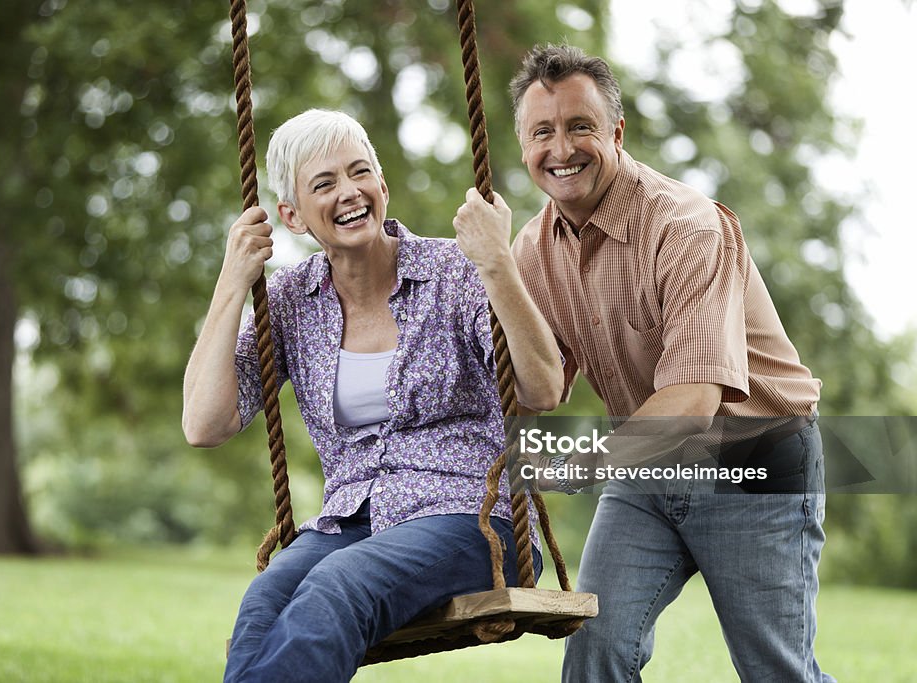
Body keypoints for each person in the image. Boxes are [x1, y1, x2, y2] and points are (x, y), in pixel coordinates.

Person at [477, 44, 832, 681]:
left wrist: (576, 460)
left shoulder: (687, 226)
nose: (561, 149)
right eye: (542, 132)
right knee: (595, 652)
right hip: (645, 466)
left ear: (615, 131)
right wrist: (497, 268)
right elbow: (545, 385)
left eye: (580, 126)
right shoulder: (531, 247)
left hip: (752, 459)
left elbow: (694, 403)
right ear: (523, 145)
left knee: (776, 672)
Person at [181, 109, 562, 683]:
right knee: (265, 602)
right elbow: (204, 425)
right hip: (353, 520)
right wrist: (232, 283)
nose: (350, 192)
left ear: (382, 186)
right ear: (291, 215)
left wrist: (497, 263)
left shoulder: (455, 272)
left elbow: (545, 388)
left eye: (360, 173)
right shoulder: (289, 301)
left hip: (470, 518)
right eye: (324, 184)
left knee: (338, 586)